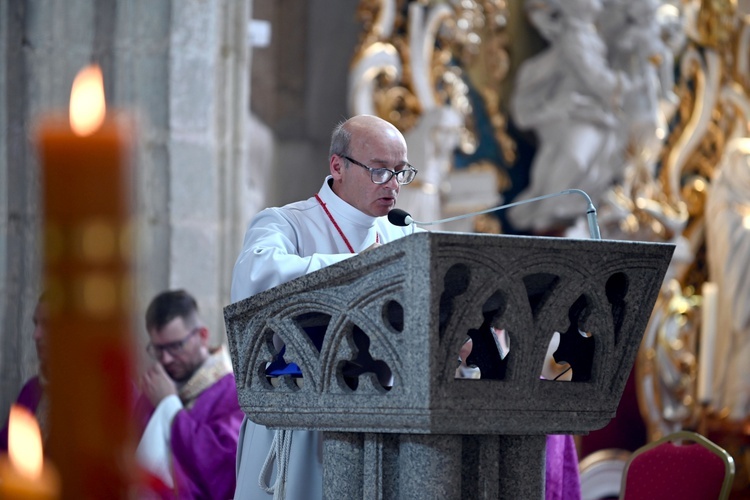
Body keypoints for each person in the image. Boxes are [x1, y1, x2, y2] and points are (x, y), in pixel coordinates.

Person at [230, 114, 580, 499]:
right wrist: (358, 268)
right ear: (337, 166)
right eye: (380, 171)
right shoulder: (287, 223)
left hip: (392, 421)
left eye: (401, 172)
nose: (394, 185)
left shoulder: (406, 233)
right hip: (303, 420)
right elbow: (254, 276)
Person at [134, 289, 244, 499]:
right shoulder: (155, 388)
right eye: (158, 349)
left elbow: (225, 466)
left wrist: (170, 408)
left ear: (202, 336)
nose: (165, 359)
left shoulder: (232, 393)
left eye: (176, 346)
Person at [0, 295, 49, 451]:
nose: (36, 335)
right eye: (36, 324)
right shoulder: (32, 390)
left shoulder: (108, 395)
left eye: (47, 324)